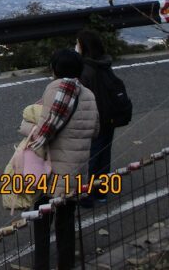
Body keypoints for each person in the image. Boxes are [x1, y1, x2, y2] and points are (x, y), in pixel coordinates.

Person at [27, 49, 99, 270]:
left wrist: (26, 130)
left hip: (51, 171)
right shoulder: (88, 94)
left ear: (55, 69)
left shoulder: (55, 89)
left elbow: (45, 131)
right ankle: (65, 265)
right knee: (66, 222)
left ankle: (41, 265)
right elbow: (95, 131)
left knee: (41, 220)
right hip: (76, 171)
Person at [77, 29, 118, 201]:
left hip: (93, 119)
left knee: (90, 158)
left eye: (78, 43)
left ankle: (86, 195)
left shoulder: (85, 70)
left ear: (84, 47)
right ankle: (102, 192)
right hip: (110, 116)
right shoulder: (104, 63)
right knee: (104, 155)